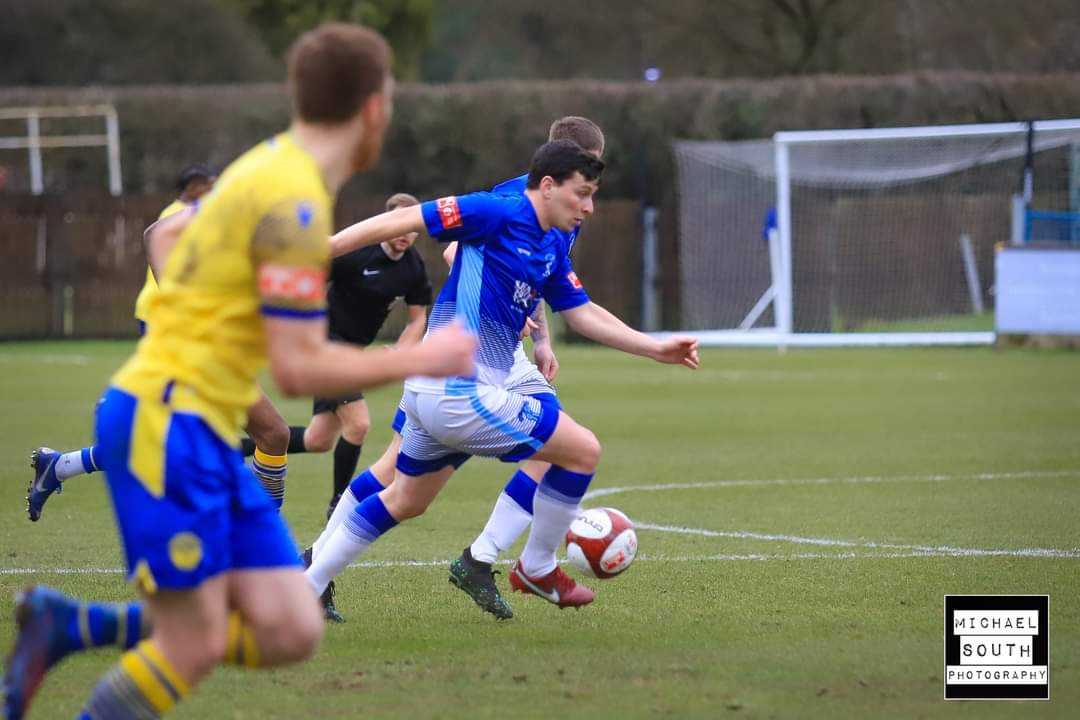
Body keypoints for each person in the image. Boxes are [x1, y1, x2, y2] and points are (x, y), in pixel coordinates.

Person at [2, 23, 475, 720]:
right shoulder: (293, 197)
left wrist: (199, 305)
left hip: (194, 418)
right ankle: (71, 639)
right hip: (166, 422)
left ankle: (71, 627)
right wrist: (422, 356)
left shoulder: (269, 165)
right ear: (374, 109)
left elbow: (163, 233)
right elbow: (295, 365)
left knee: (290, 628)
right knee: (192, 645)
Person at [304, 140, 698, 619]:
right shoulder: (496, 211)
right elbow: (400, 221)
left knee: (405, 499)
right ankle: (535, 564)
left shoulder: (552, 245)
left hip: (442, 391)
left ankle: (307, 585)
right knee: (581, 451)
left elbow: (582, 313)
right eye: (583, 193)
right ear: (549, 186)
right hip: (459, 393)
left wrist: (654, 347)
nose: (590, 207)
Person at [26, 167, 294, 521]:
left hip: (218, 353)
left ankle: (60, 466)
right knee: (242, 439)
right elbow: (155, 235)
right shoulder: (208, 215)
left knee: (269, 435)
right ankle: (261, 545)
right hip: (184, 344)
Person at [239, 192, 432, 520]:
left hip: (349, 354)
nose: (404, 233)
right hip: (323, 346)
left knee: (319, 439)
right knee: (358, 425)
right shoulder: (356, 254)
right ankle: (338, 506)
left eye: (411, 227)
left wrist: (402, 350)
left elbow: (418, 319)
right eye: (398, 224)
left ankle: (229, 450)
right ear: (384, 224)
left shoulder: (413, 267)